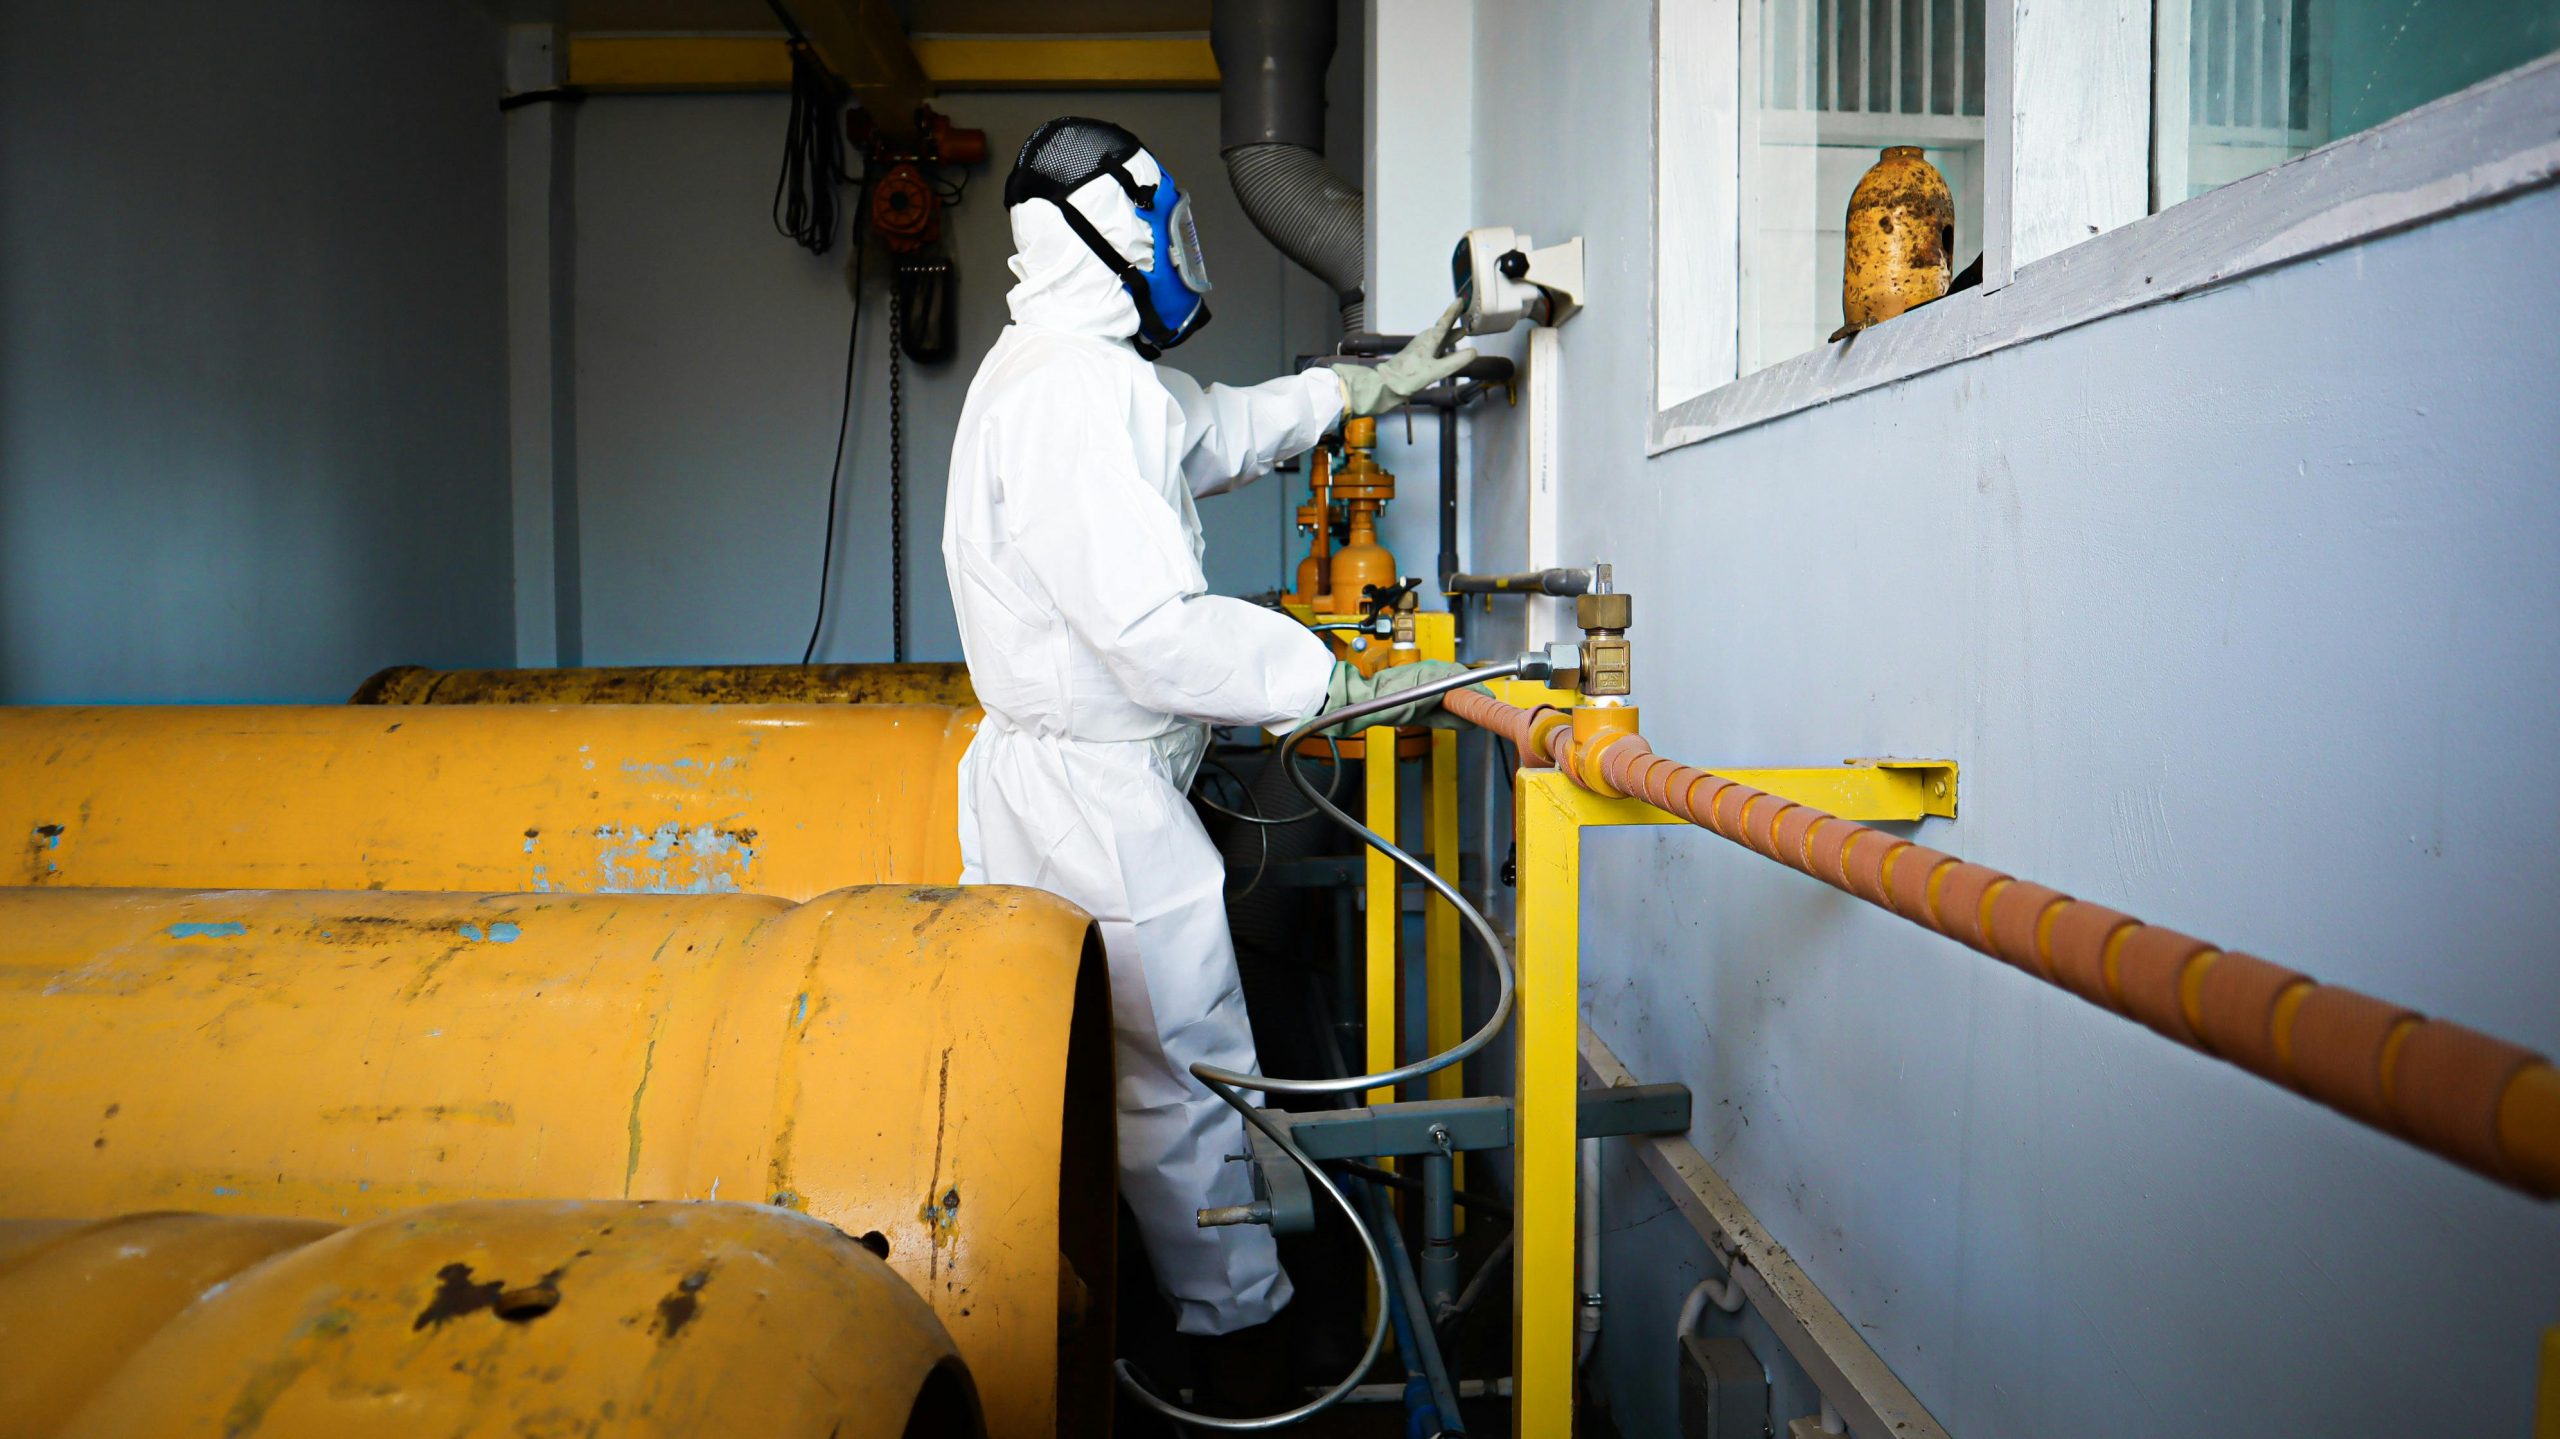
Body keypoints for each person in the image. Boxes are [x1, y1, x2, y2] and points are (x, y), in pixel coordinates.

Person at [940, 116, 1477, 1387]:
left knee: (1095, 1070)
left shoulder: (1066, 368)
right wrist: (1322, 677)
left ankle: (1133, 1311)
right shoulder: (1074, 394)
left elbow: (1208, 432)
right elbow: (1145, 634)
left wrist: (1350, 388)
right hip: (1093, 798)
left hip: (1063, 776)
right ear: (1123, 235)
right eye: (1163, 224)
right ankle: (1237, 1346)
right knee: (1180, 1069)